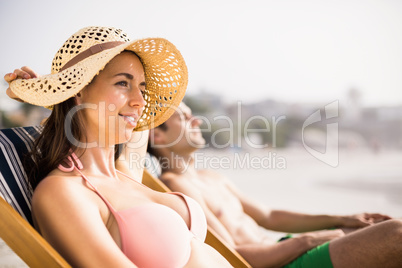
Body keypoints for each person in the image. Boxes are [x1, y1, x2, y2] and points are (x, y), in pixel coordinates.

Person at [4, 26, 232, 267]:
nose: (140, 101)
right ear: (78, 89)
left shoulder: (125, 171)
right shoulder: (64, 193)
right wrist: (54, 92)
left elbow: (132, 129)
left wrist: (48, 93)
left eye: (142, 88)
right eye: (123, 83)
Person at [146, 102, 402, 268]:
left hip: (284, 246)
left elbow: (269, 216)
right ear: (158, 135)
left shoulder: (211, 177)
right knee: (394, 234)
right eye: (185, 117)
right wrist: (309, 240)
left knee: (381, 230)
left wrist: (342, 219)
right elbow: (232, 253)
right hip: (275, 263)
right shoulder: (174, 186)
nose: (197, 121)